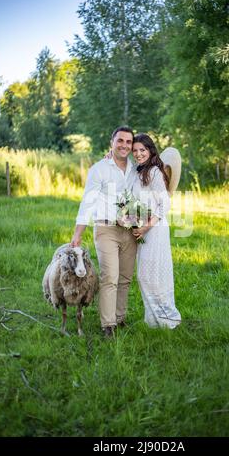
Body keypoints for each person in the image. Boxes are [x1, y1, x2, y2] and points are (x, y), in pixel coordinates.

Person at [70, 126, 137, 339]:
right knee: (110, 277)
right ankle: (108, 325)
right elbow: (87, 203)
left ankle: (119, 318)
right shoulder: (99, 169)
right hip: (106, 229)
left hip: (130, 231)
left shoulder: (135, 170)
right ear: (112, 142)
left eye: (128, 142)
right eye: (120, 141)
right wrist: (78, 233)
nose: (124, 145)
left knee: (125, 278)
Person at [131, 133, 181, 329]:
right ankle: (153, 320)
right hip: (143, 229)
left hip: (155, 229)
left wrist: (146, 226)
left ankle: (166, 319)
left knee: (153, 274)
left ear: (150, 150)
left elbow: (164, 204)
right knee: (145, 274)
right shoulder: (139, 171)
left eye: (142, 150)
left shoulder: (153, 172)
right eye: (135, 151)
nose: (138, 154)